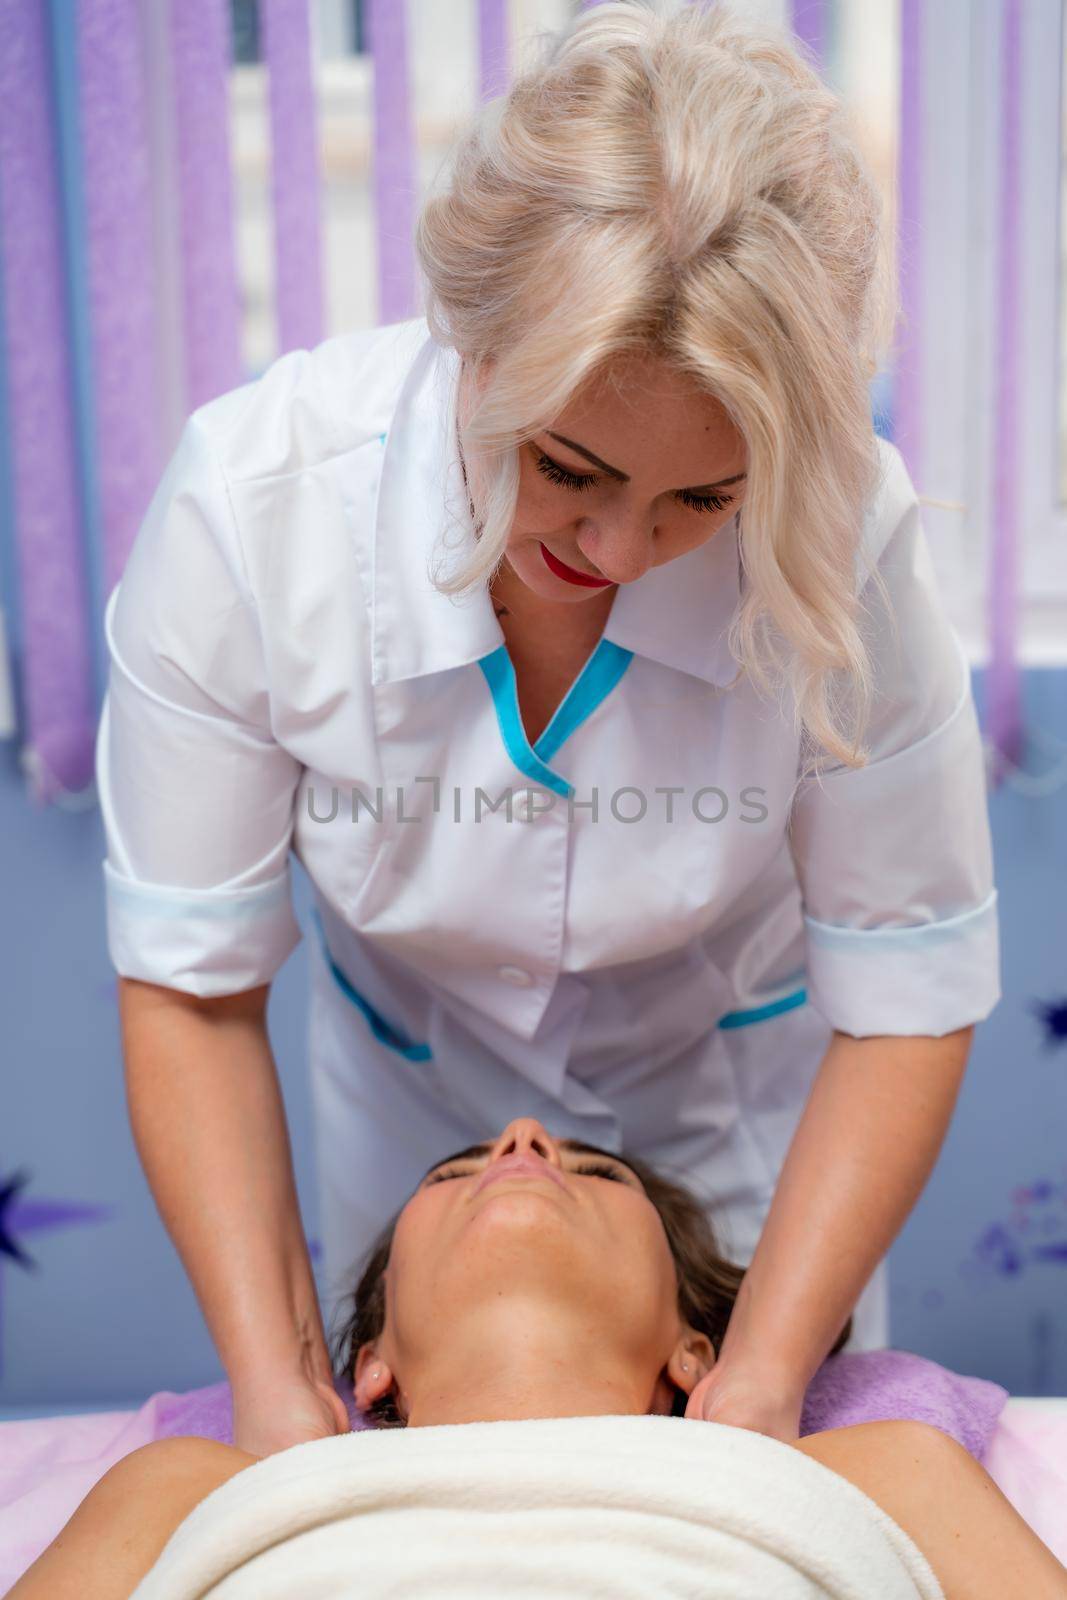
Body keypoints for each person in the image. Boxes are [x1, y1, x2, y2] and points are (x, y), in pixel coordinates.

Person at [95, 1, 1000, 1461]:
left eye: (701, 501)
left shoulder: (842, 531)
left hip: (736, 1126)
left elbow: (907, 988)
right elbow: (192, 989)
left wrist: (763, 1379)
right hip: (412, 1118)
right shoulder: (255, 507)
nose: (619, 544)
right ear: (472, 338)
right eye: (565, 466)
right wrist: (273, 1394)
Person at [10, 1120, 1066, 1599]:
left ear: (696, 1353)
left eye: (599, 1171)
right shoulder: (193, 1482)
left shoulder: (878, 1468)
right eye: (456, 1167)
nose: (522, 1138)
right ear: (367, 1365)